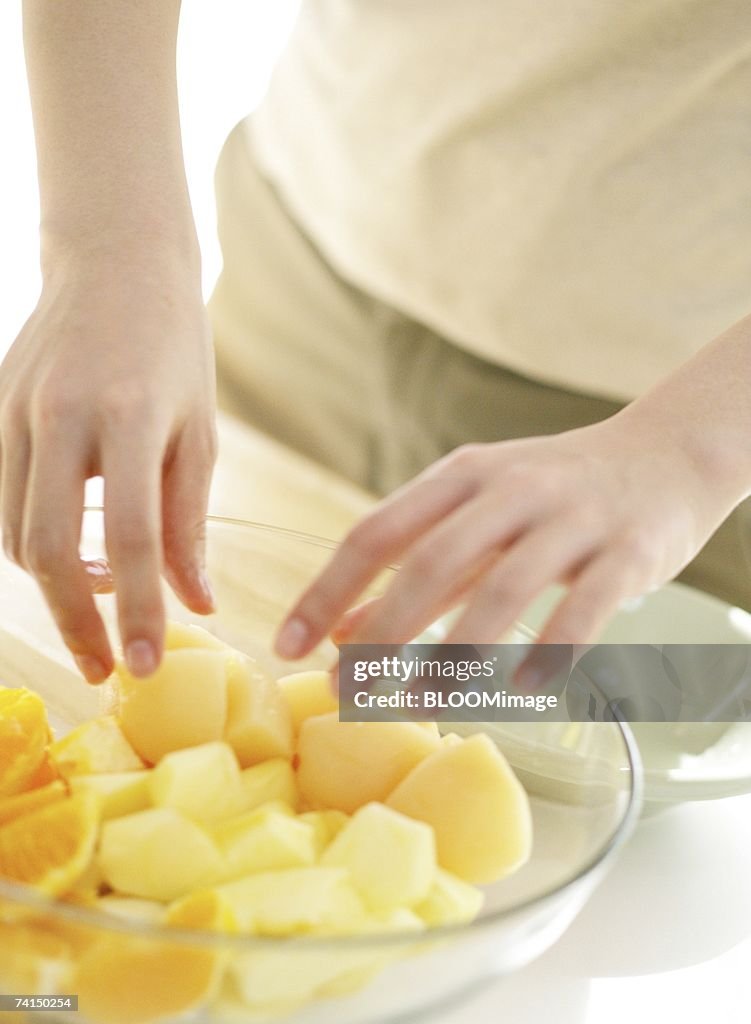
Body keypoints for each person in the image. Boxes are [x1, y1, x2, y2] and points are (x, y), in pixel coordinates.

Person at [2, 1, 750, 685]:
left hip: (665, 422)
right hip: (297, 264)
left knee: (604, 776)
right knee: (260, 681)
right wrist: (108, 244)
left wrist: (690, 452)